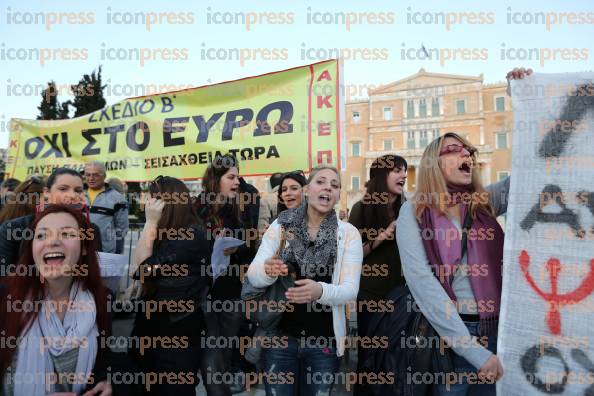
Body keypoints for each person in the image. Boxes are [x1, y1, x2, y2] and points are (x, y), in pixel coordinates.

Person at [246, 166, 363, 396]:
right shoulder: (281, 226)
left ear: (338, 195)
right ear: (308, 190)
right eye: (321, 181)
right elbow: (254, 274)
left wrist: (319, 291)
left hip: (323, 344)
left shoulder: (348, 233)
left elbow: (350, 290)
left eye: (335, 185)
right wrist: (268, 270)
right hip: (279, 339)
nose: (328, 187)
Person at [0, 205, 112, 395]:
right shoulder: (5, 299)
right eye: (42, 235)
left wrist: (107, 381)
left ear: (84, 247)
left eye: (67, 234)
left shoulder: (101, 299)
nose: (52, 242)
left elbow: (106, 358)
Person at [129, 175, 211, 395]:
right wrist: (151, 226)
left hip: (177, 334)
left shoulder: (191, 235)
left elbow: (141, 271)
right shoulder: (162, 232)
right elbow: (135, 271)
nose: (148, 204)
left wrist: (150, 222)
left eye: (152, 198)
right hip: (151, 327)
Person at [193, 154, 254, 396]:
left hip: (230, 290)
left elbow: (251, 239)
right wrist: (211, 245)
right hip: (203, 291)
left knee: (226, 344)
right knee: (212, 348)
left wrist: (237, 247)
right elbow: (186, 246)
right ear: (215, 179)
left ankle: (223, 379)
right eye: (231, 177)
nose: (237, 182)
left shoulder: (237, 207)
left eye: (238, 176)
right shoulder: (197, 209)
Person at [347, 154, 408, 396]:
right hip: (370, 297)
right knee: (369, 359)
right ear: (382, 176)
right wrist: (383, 236)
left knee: (399, 358)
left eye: (404, 170)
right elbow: (352, 256)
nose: (403, 175)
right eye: (397, 170)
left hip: (403, 297)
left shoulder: (409, 209)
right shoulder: (361, 209)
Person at [0, 168, 102, 279]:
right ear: (47, 193)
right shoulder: (14, 228)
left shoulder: (91, 230)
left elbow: (94, 273)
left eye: (78, 190)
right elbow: (4, 276)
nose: (72, 195)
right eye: (63, 189)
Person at [84, 161, 129, 254]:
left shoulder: (118, 199)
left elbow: (122, 230)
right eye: (88, 175)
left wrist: (116, 255)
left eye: (95, 175)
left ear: (104, 176)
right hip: (78, 252)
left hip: (104, 254)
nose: (91, 178)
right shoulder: (75, 195)